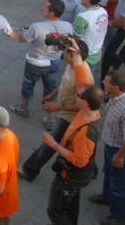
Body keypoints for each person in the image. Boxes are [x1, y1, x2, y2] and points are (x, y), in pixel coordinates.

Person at [19, 36, 92, 183]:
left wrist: (56, 106)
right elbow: (64, 84)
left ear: (73, 55)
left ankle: (29, 170)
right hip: (64, 112)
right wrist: (52, 95)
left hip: (70, 117)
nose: (62, 52)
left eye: (66, 51)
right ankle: (91, 169)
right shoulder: (71, 66)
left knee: (50, 144)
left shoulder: (83, 76)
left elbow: (83, 105)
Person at [89, 71, 125, 225]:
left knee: (120, 184)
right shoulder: (114, 97)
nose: (103, 83)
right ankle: (107, 197)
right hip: (111, 144)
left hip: (121, 150)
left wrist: (119, 156)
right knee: (108, 173)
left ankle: (119, 217)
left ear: (116, 87)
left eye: (106, 82)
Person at [45, 84, 103, 225]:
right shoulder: (89, 112)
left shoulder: (88, 132)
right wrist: (58, 107)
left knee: (55, 212)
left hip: (70, 177)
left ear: (85, 102)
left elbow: (79, 160)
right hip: (73, 176)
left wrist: (53, 144)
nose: (75, 97)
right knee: (70, 207)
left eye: (78, 96)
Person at [10, 0, 74, 121]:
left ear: (52, 13)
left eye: (45, 7)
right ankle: (49, 118)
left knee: (28, 85)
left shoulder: (37, 27)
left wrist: (23, 31)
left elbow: (22, 39)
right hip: (55, 62)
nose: (42, 8)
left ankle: (23, 108)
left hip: (35, 63)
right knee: (50, 89)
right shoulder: (68, 26)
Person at [73, 0, 109, 70]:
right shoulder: (103, 11)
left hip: (83, 56)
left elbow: (76, 38)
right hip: (96, 53)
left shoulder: (82, 17)